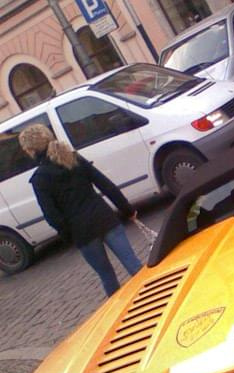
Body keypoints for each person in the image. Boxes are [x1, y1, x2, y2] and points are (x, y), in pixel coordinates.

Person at [18, 123, 142, 297]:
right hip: (104, 218)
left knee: (107, 277)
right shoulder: (74, 158)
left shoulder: (39, 179)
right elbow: (105, 184)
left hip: (82, 233)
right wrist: (127, 209)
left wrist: (69, 235)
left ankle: (122, 315)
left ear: (31, 150)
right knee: (134, 264)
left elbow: (52, 216)